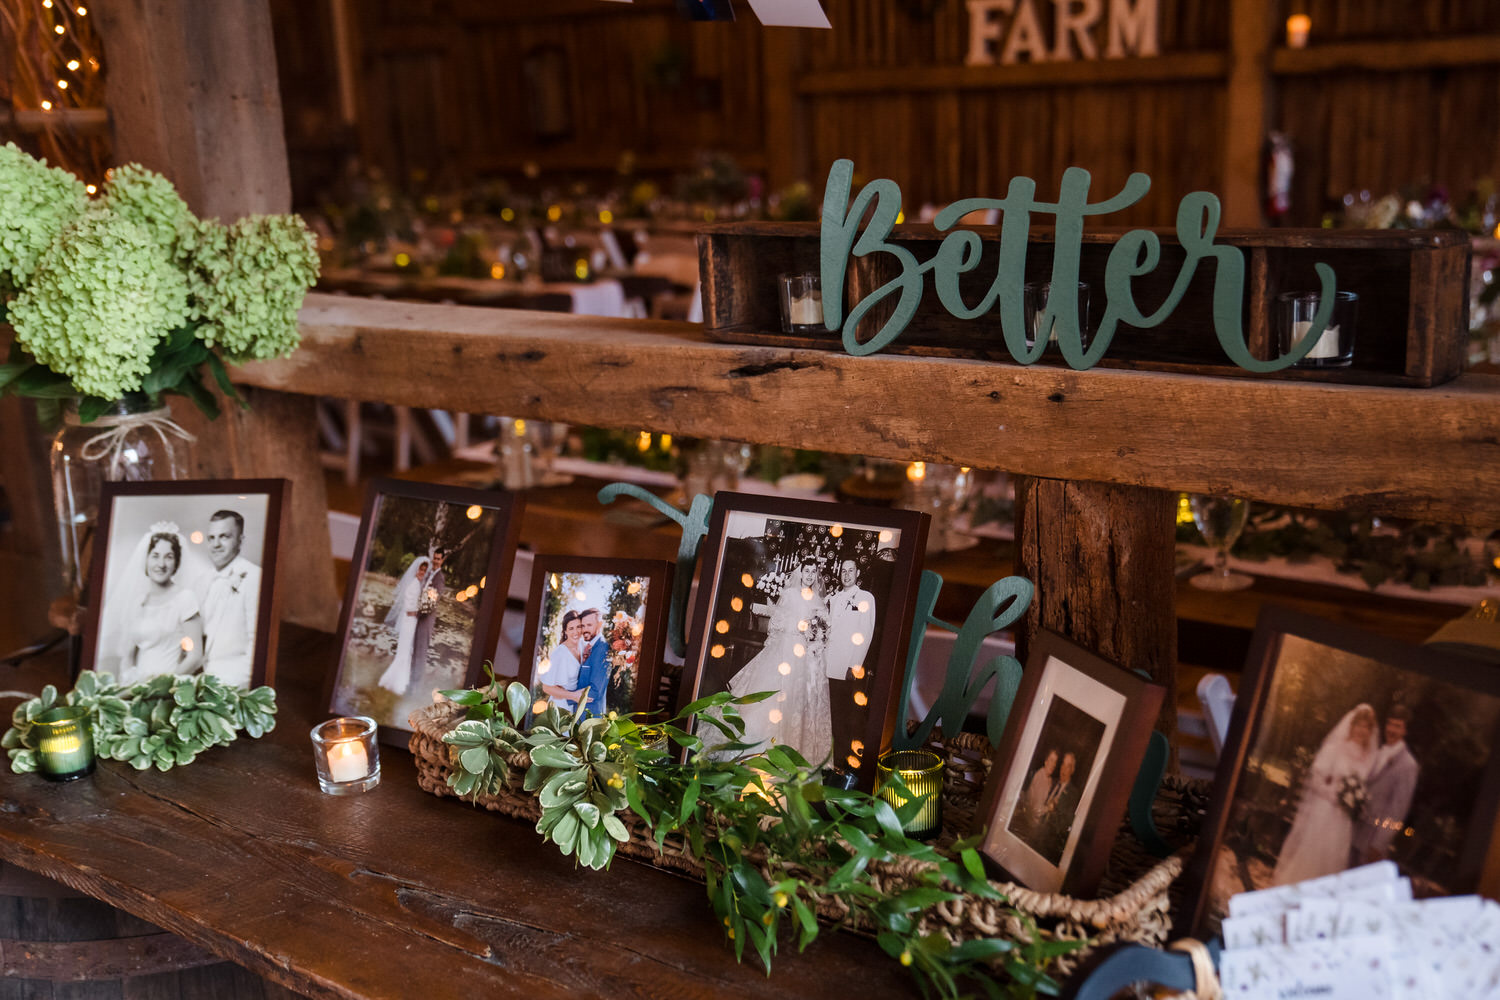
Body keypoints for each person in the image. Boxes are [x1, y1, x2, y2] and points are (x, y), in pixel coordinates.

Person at [722, 558, 833, 766]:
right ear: (801, 572)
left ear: (816, 575)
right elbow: (778, 622)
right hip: (786, 649)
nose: (809, 575)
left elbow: (824, 628)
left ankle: (789, 750)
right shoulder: (790, 594)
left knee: (796, 700)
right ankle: (757, 748)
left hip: (806, 655)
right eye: (806, 571)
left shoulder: (818, 600)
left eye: (813, 572)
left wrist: (816, 634)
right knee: (775, 694)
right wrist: (798, 628)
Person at [1272, 703, 1378, 886]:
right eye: (1359, 725)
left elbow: (1363, 787)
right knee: (1314, 854)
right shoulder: (1336, 749)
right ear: (1351, 725)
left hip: (1344, 818)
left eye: (1366, 727)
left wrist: (1354, 801)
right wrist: (1335, 795)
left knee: (1333, 857)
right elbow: (1316, 779)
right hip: (1326, 810)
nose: (1362, 730)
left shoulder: (1368, 758)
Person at [115, 525, 205, 684]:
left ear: (176, 562)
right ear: (146, 558)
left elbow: (195, 657)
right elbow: (128, 654)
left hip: (168, 688)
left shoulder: (185, 598)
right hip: (137, 686)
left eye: (169, 557)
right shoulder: (138, 602)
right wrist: (129, 682)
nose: (161, 564)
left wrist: (160, 688)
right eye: (155, 556)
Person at [198, 509, 261, 688]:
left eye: (224, 537)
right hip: (199, 678)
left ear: (240, 541)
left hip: (231, 683)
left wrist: (221, 686)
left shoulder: (255, 577)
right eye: (211, 538)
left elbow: (256, 647)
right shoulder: (202, 580)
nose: (215, 544)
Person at [1351, 704, 1420, 866]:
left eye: (1397, 726)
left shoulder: (1408, 765)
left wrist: (1379, 845)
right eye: (1389, 724)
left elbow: (1398, 810)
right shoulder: (1376, 751)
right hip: (1353, 832)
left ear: (1405, 731)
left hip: (1370, 842)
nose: (1391, 730)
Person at [377, 557, 430, 695]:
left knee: (408, 651)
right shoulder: (413, 585)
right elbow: (408, 609)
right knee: (404, 651)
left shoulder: (419, 585)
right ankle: (396, 683)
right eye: (421, 569)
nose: (422, 572)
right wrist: (422, 612)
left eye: (425, 570)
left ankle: (402, 681)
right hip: (409, 622)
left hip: (412, 622)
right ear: (416, 569)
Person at [824, 559, 877, 681]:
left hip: (846, 664)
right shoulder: (834, 599)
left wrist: (854, 665)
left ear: (857, 573)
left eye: (850, 570)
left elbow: (865, 634)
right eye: (843, 571)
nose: (846, 575)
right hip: (828, 661)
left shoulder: (866, 598)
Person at [409, 547, 448, 689]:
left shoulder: (439, 578)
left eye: (438, 559)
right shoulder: (430, 573)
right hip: (419, 616)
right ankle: (411, 679)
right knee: (415, 647)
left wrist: (417, 614)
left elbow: (431, 602)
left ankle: (415, 685)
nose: (436, 561)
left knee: (421, 650)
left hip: (426, 619)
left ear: (442, 560)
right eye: (435, 558)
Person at [1036, 751, 1081, 864]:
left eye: (1068, 766)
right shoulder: (1052, 781)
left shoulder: (1073, 794)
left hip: (1049, 849)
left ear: (1073, 770)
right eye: (1063, 765)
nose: (1064, 769)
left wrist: (1054, 810)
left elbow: (1066, 825)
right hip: (1035, 835)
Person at [539, 610, 586, 710]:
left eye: (579, 627)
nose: (576, 632)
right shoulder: (560, 653)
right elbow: (546, 687)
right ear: (565, 631)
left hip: (574, 706)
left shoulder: (583, 646)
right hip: (559, 707)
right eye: (571, 628)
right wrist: (573, 696)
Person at [1014, 748, 1059, 840]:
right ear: (1046, 761)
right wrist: (1048, 808)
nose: (1053, 764)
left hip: (1036, 826)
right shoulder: (1040, 777)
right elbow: (1036, 810)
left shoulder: (1049, 780)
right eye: (1051, 760)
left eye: (1055, 762)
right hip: (1029, 825)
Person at [575, 608, 610, 718]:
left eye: (589, 625)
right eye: (583, 626)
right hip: (581, 714)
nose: (585, 630)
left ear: (599, 625)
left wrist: (565, 697)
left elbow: (595, 690)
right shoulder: (589, 647)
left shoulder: (602, 648)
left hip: (590, 716)